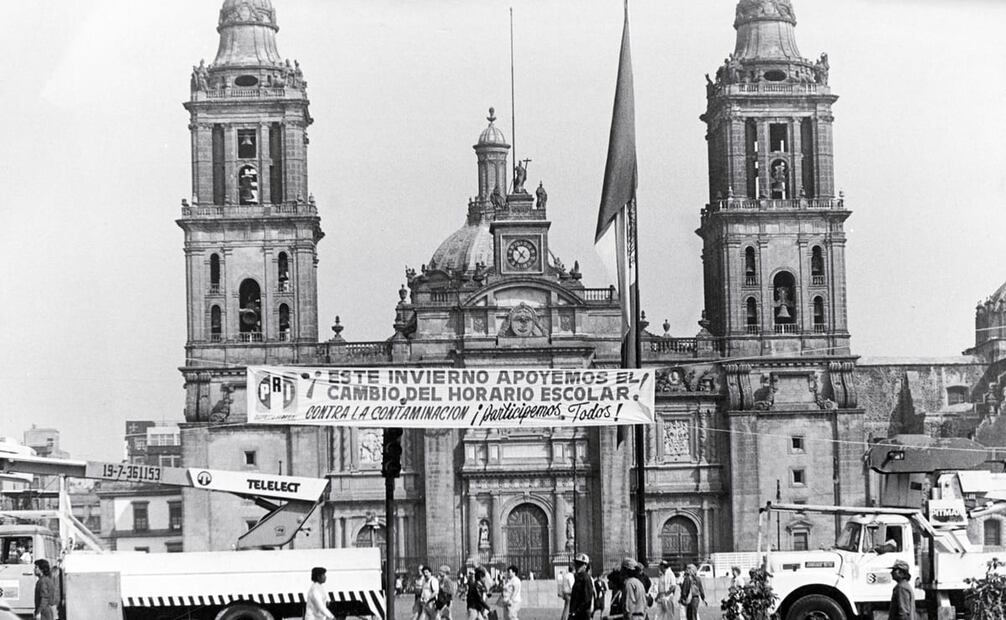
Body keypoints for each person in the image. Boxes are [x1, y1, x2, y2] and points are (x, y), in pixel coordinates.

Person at [569, 553, 594, 620]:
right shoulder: (578, 577)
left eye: (580, 564)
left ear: (585, 566)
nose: (577, 566)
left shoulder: (586, 578)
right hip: (575, 613)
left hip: (582, 615)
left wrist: (577, 611)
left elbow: (587, 599)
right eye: (576, 564)